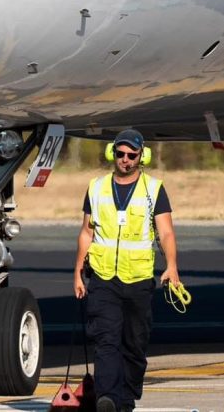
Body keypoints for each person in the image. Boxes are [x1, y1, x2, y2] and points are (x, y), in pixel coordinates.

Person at [73, 129, 180, 412]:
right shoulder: (96, 188)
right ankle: (106, 397)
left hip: (139, 279)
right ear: (112, 154)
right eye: (120, 154)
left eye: (131, 155)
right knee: (105, 340)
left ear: (141, 156)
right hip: (103, 277)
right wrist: (77, 273)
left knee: (134, 345)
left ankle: (125, 399)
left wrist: (172, 266)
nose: (125, 160)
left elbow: (166, 232)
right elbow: (86, 232)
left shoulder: (154, 190)